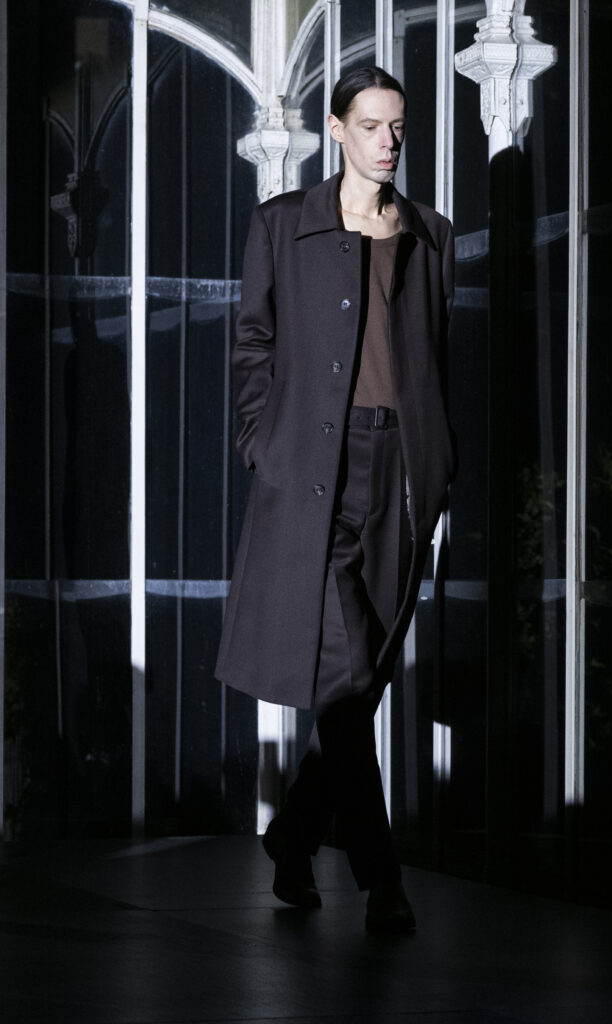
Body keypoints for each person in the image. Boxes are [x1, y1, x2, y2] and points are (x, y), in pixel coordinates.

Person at [215, 67, 455, 933]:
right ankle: (380, 879)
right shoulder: (284, 224)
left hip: (400, 476)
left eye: (398, 127)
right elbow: (252, 342)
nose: (388, 142)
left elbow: (435, 360)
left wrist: (436, 466)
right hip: (312, 476)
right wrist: (262, 443)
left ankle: (292, 835)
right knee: (347, 678)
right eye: (371, 125)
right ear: (336, 128)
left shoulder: (430, 233)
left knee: (364, 679)